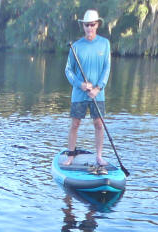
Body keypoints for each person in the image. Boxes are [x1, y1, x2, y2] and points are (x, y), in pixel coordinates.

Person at [64, 9, 111, 167]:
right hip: (79, 94)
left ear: (97, 25)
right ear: (83, 26)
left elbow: (106, 68)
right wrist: (81, 84)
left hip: (98, 94)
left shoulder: (105, 44)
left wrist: (98, 88)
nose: (89, 28)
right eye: (87, 25)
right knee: (75, 124)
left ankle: (99, 156)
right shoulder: (76, 46)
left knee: (99, 124)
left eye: (92, 24)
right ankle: (71, 155)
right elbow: (68, 70)